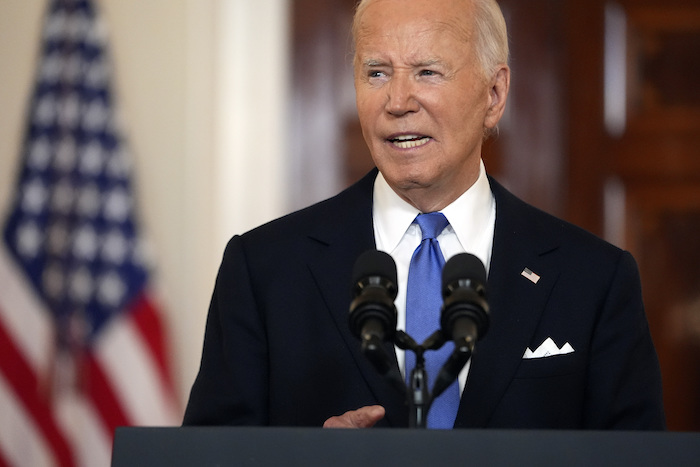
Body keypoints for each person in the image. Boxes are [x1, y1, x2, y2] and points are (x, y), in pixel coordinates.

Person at [183, 0, 665, 430]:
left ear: (494, 96)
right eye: (376, 72)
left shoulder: (594, 279)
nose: (396, 102)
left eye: (427, 72)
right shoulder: (263, 269)